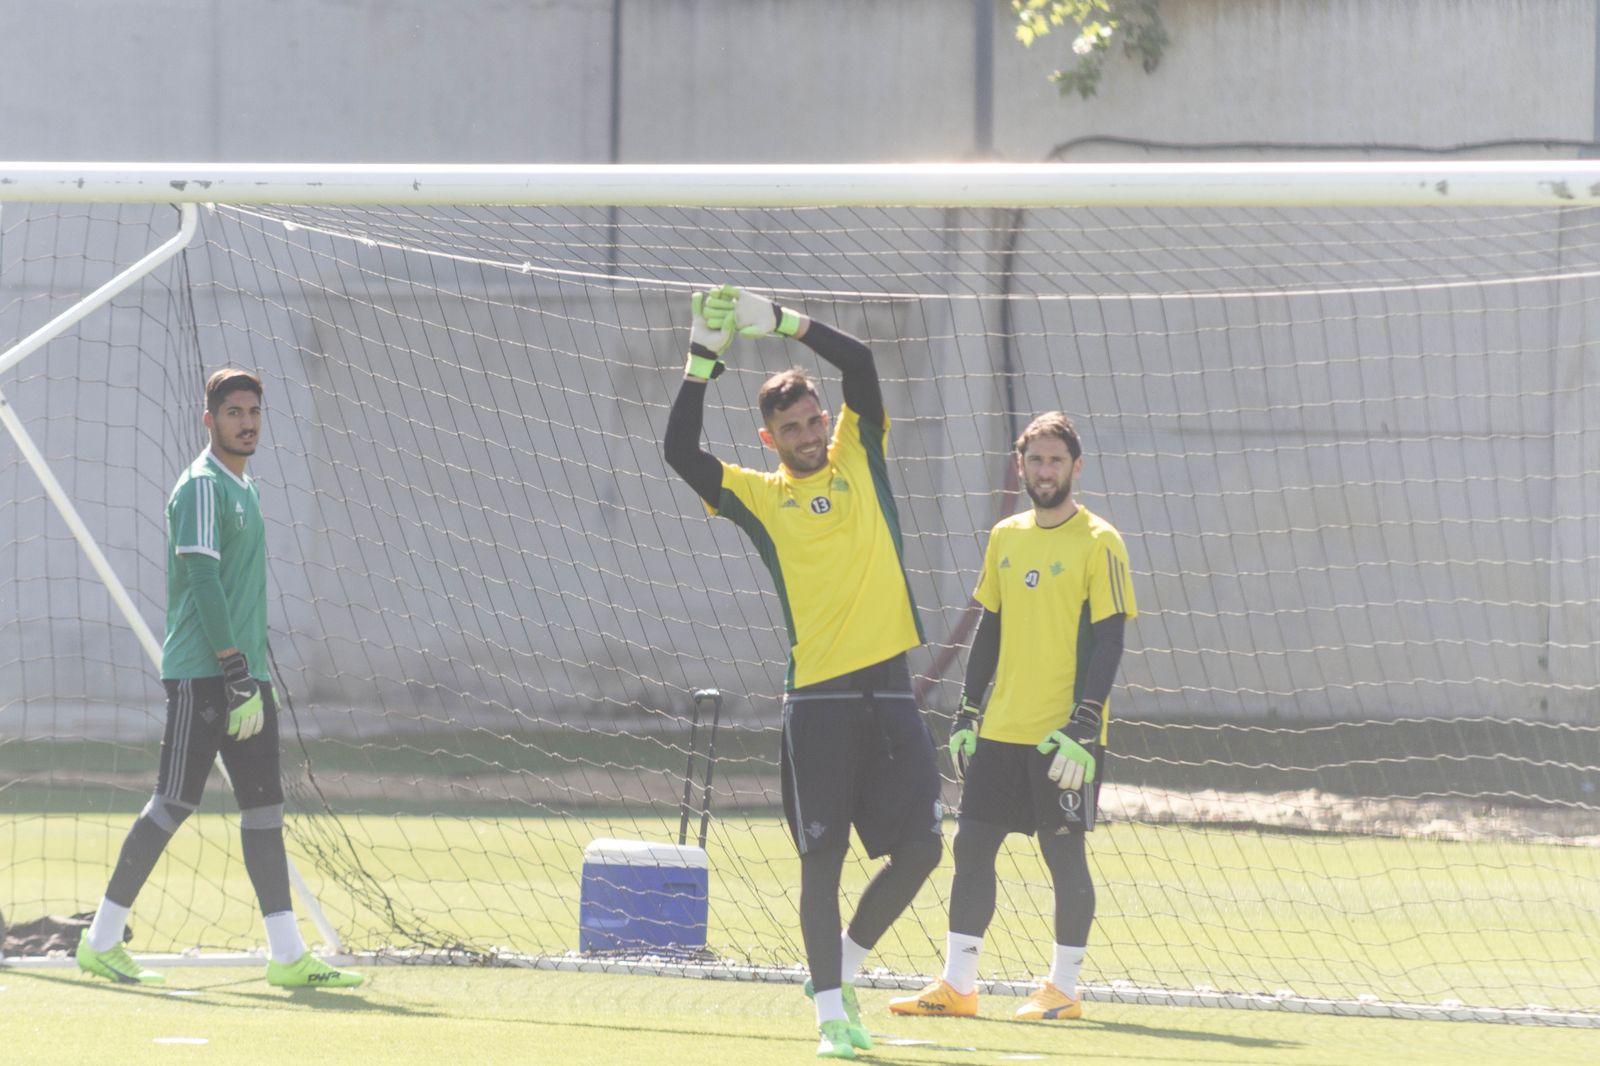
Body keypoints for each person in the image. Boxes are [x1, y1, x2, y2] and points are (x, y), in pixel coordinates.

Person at [664, 287, 942, 1059]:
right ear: (770, 437)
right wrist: (700, 360)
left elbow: (860, 361)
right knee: (821, 862)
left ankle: (841, 968)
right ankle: (829, 1019)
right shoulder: (759, 497)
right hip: (816, 700)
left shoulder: (862, 451)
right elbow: (679, 454)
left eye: (814, 420)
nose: (810, 434)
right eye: (792, 428)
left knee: (922, 848)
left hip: (889, 685)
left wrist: (781, 319)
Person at [76, 368, 361, 990]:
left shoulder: (245, 485)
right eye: (233, 411)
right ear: (209, 421)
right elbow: (202, 582)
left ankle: (286, 956)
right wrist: (232, 666)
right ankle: (99, 941)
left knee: (265, 811)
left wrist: (248, 675)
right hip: (206, 676)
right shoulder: (202, 487)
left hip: (244, 678)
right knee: (173, 803)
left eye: (253, 410)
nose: (247, 420)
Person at [889, 411, 1135, 1022]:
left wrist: (1085, 723)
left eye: (1055, 460)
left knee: (1063, 855)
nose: (1044, 471)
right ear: (1020, 468)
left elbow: (1108, 641)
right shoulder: (1006, 536)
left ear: (1075, 468)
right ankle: (958, 986)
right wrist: (969, 710)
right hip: (1001, 730)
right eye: (1035, 460)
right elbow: (990, 628)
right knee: (972, 847)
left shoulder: (1100, 541)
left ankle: (1064, 990)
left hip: (1064, 737)